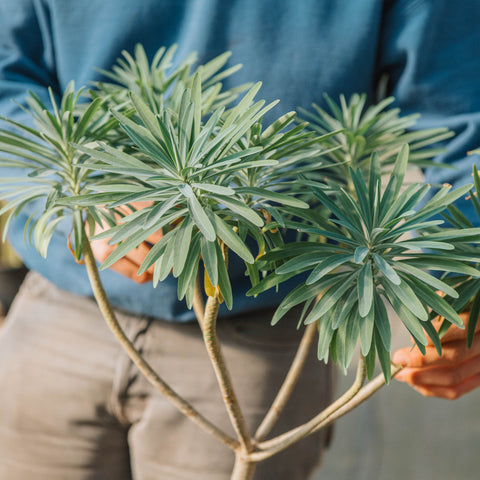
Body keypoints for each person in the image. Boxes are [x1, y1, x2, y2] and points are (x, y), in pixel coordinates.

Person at [0, 1, 480, 479]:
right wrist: (77, 202)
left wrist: (461, 290)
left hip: (264, 323)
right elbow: (7, 72)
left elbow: (460, 123)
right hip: (63, 297)